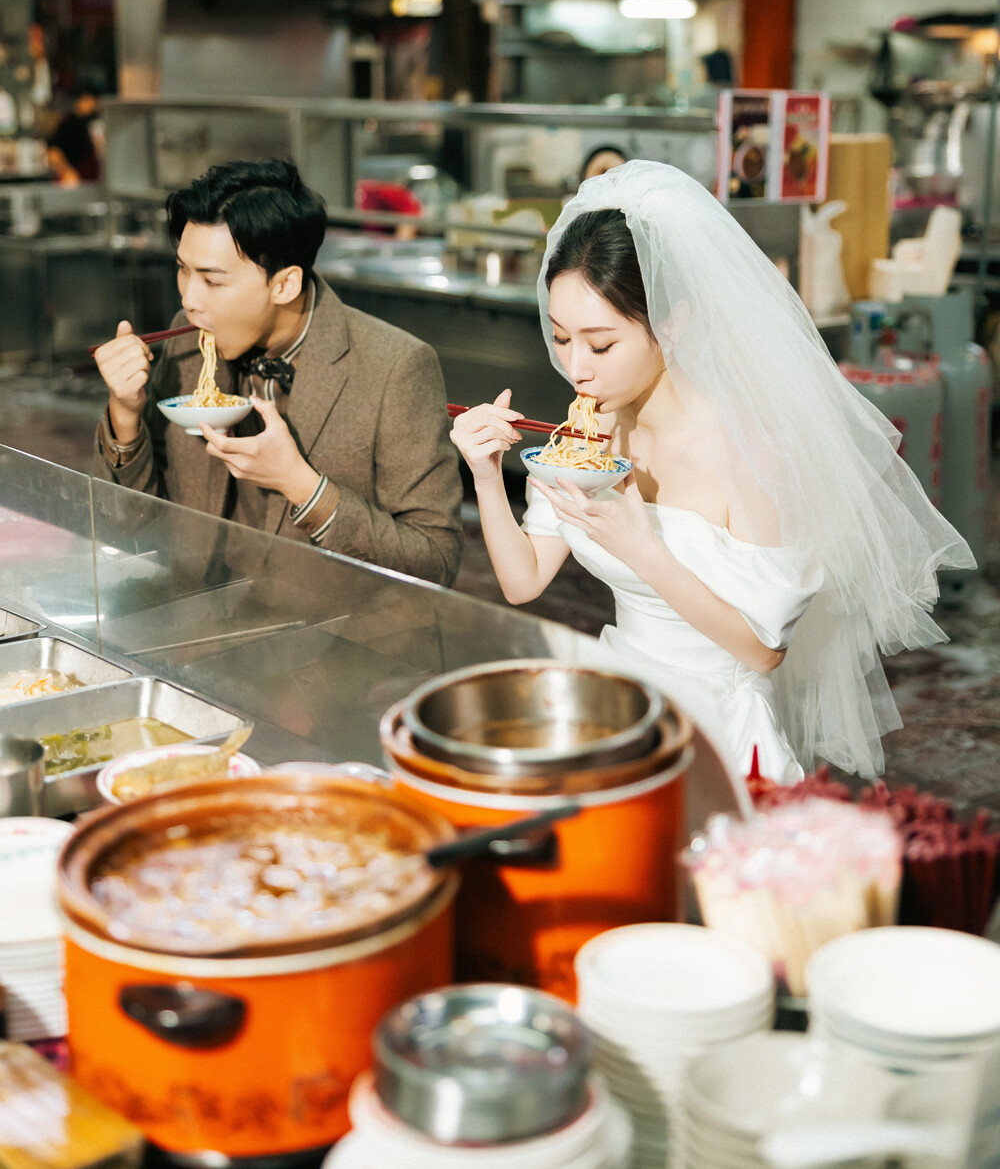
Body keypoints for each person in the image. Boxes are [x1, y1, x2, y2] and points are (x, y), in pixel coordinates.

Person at [450, 161, 974, 782]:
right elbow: (523, 581)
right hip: (626, 703)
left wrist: (644, 552)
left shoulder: (747, 448)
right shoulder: (588, 433)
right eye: (562, 338)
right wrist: (486, 473)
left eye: (601, 343)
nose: (576, 369)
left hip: (718, 723)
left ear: (671, 324)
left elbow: (764, 650)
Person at [94, 158, 463, 587]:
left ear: (285, 284)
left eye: (212, 281)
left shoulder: (395, 367)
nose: (189, 300)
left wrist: (301, 484)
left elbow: (435, 562)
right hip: (198, 612)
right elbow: (130, 524)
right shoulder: (188, 343)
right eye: (182, 269)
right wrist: (125, 415)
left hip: (333, 626)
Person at [46, 85, 101, 184]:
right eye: (89, 100)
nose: (93, 105)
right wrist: (67, 172)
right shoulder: (69, 123)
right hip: (73, 183)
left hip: (88, 182)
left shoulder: (88, 123)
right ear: (80, 101)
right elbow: (53, 151)